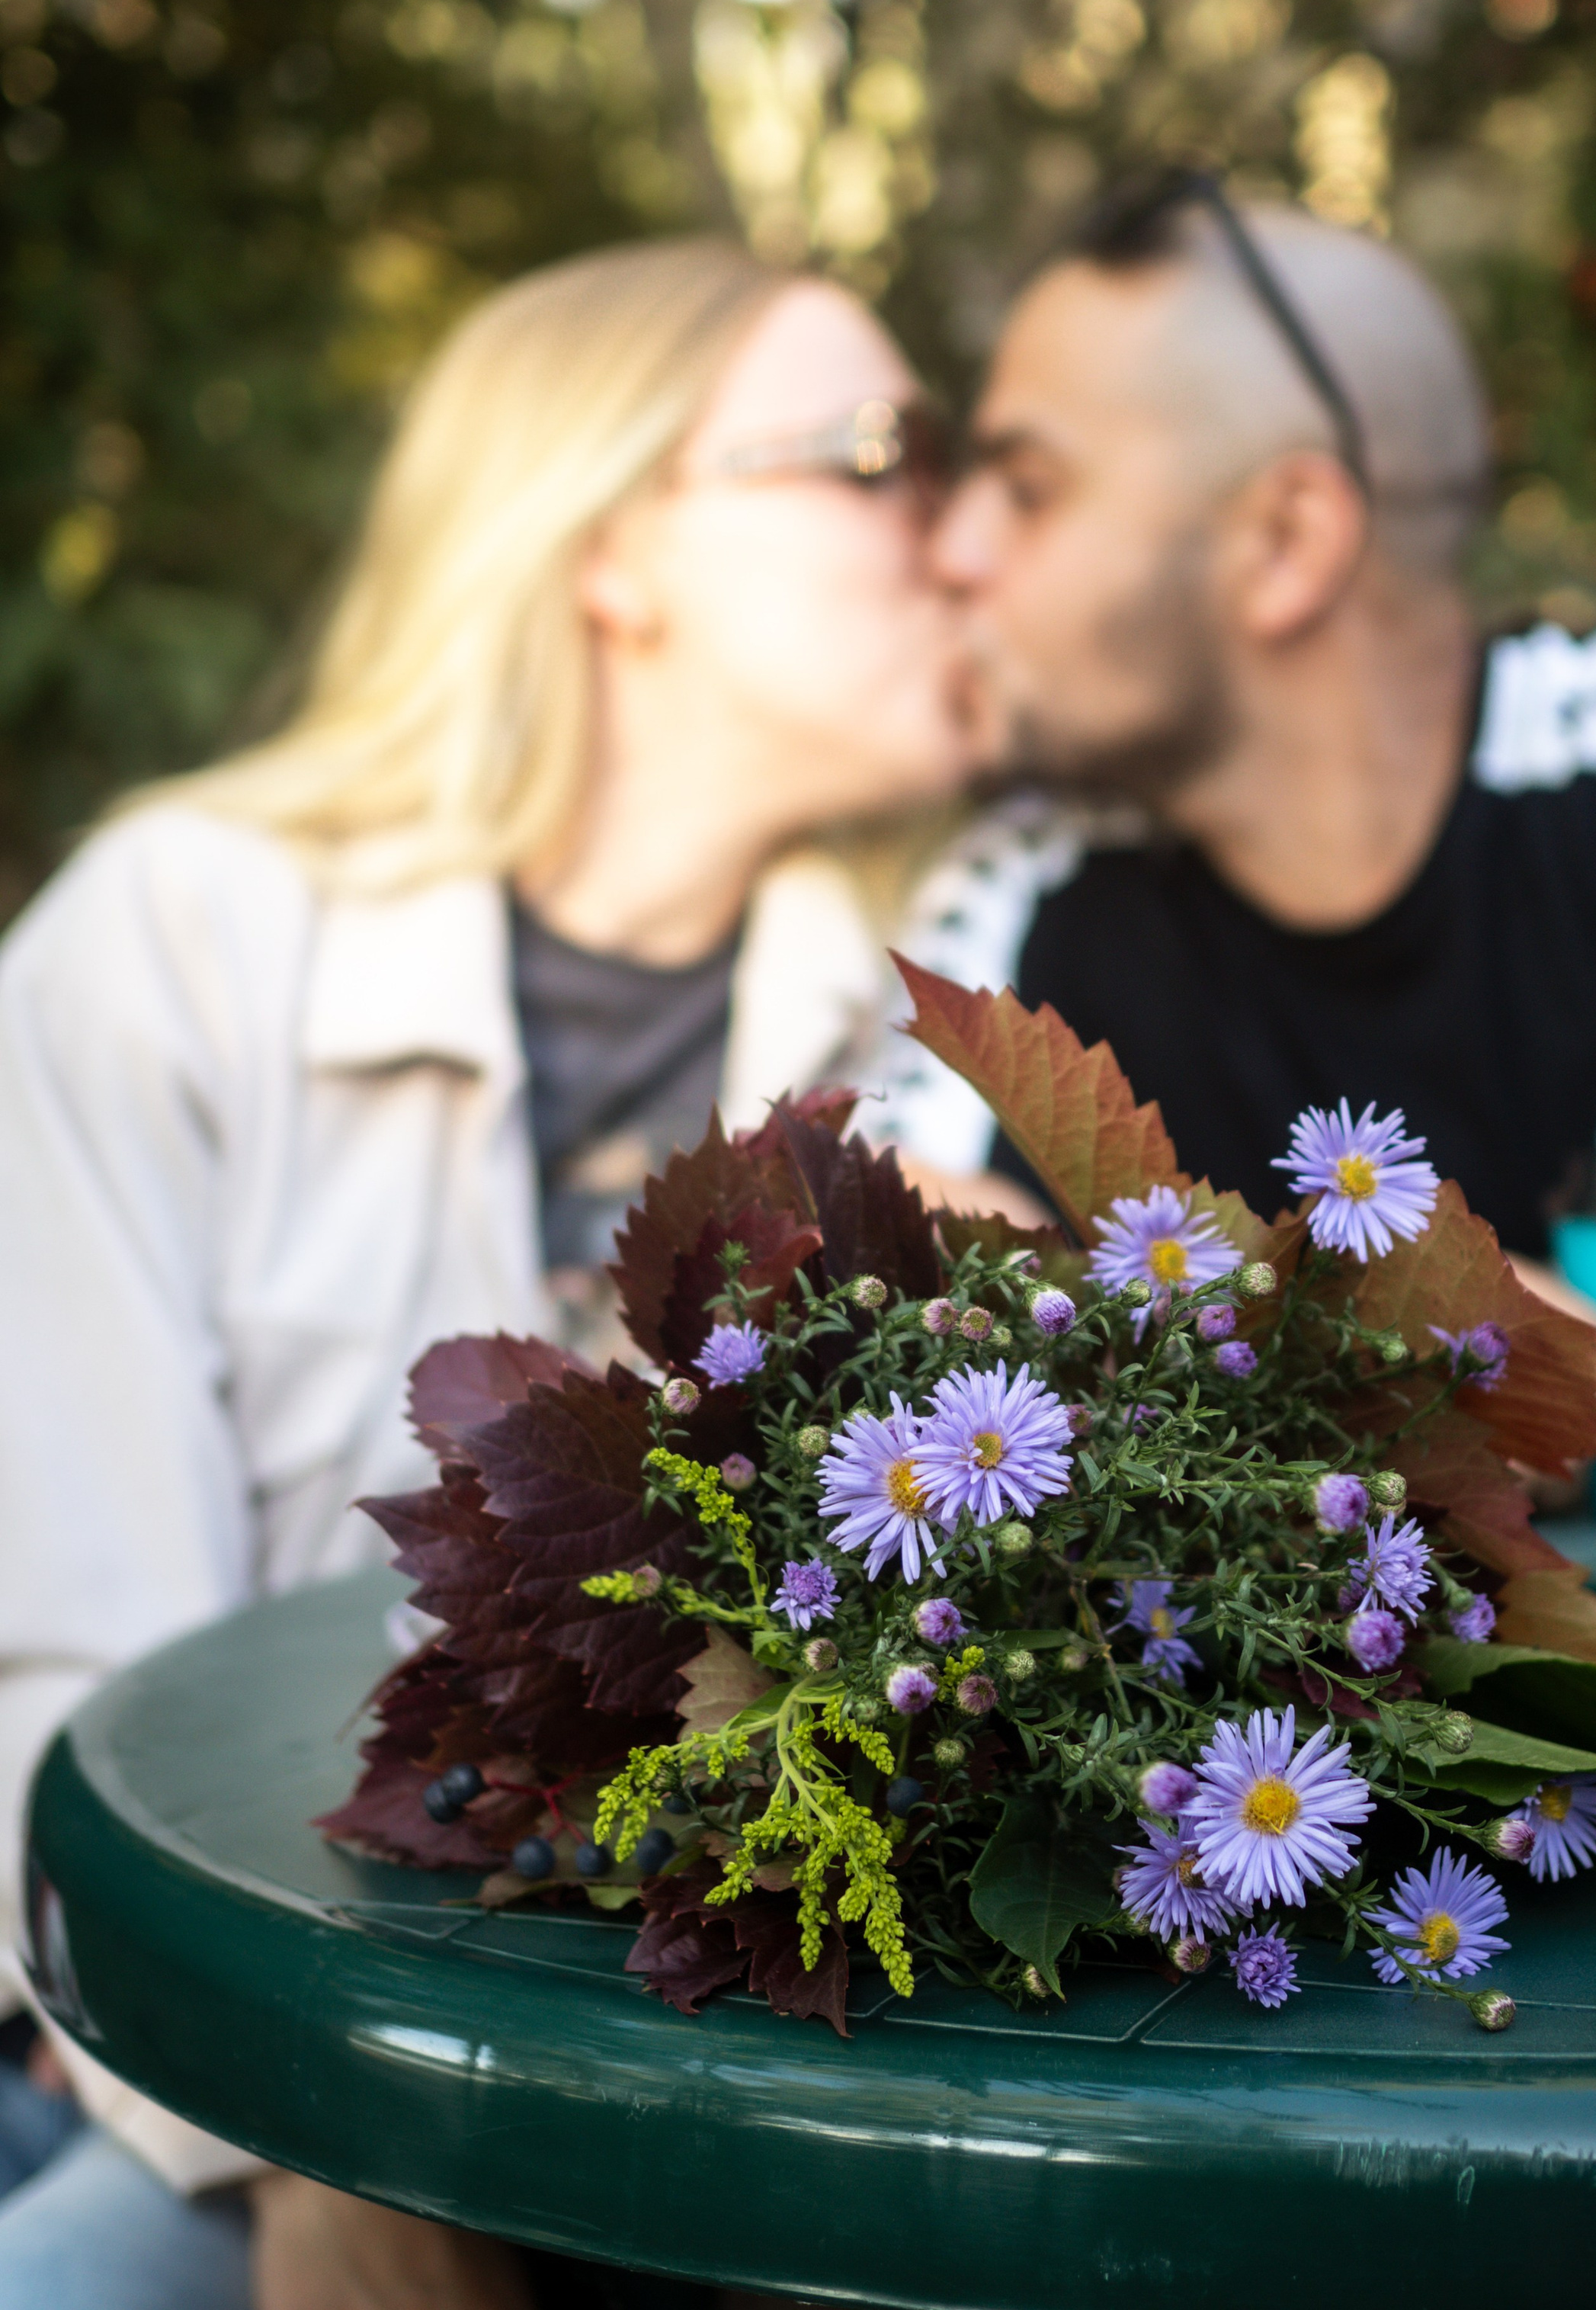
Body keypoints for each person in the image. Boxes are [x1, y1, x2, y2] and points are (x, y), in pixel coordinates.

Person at [0, 237, 970, 2308]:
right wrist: (328, 2126)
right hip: (189, 2070)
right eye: (883, 454)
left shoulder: (940, 1030)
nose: (962, 532)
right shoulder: (168, 948)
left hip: (768, 2090)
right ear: (616, 545)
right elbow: (54, 1695)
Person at [869, 172, 1596, 1470]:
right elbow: (861, 1238)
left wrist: (1538, 1356)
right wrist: (1313, 1344)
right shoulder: (1026, 888)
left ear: (1288, 541)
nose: (953, 551)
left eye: (1029, 487)